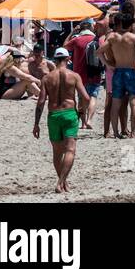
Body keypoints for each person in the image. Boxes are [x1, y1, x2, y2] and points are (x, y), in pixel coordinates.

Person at [31, 47, 89, 193]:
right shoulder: (74, 76)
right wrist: (81, 111)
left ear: (55, 60)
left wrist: (36, 124)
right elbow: (86, 98)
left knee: (57, 153)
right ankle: (61, 182)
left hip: (53, 115)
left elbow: (41, 102)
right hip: (69, 114)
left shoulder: (47, 78)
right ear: (68, 59)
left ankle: (62, 182)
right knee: (70, 150)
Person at [103, 14, 135, 139]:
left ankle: (116, 132)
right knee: (134, 102)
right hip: (131, 70)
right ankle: (133, 132)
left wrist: (108, 64)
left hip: (118, 71)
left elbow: (99, 52)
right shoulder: (133, 37)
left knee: (115, 103)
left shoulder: (112, 37)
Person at [66, 20, 104, 130]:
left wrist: (72, 32)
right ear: (91, 29)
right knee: (93, 96)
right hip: (94, 72)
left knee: (81, 98)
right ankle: (89, 120)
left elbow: (64, 46)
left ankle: (82, 124)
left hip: (79, 74)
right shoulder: (97, 40)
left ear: (81, 29)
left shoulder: (76, 40)